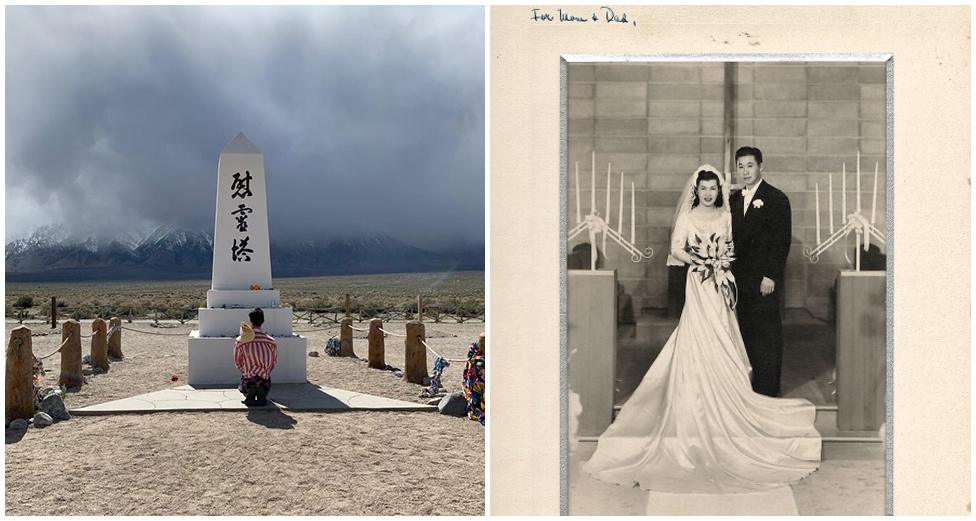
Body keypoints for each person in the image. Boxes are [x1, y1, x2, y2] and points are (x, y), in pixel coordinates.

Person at [581, 165, 820, 494]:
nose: (708, 193)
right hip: (698, 281)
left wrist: (721, 261)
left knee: (723, 331)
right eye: (704, 189)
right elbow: (676, 248)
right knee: (698, 330)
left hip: (721, 282)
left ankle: (728, 392)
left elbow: (732, 246)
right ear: (696, 191)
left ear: (718, 190)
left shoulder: (725, 215)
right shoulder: (688, 216)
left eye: (712, 189)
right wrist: (699, 261)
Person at [729, 146, 792, 397]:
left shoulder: (776, 199)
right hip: (738, 280)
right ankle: (748, 387)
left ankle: (768, 388)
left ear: (761, 166)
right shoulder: (733, 200)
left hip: (763, 280)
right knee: (744, 331)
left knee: (766, 332)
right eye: (741, 166)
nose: (745, 171)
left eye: (750, 165)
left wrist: (771, 275)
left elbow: (781, 241)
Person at [233, 308, 277, 406]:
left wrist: (245, 371)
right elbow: (273, 362)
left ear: (251, 322)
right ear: (263, 321)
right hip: (264, 377)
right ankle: (261, 389)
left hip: (249, 376)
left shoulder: (241, 341)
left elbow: (237, 361)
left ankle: (250, 390)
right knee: (263, 379)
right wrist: (265, 372)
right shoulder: (271, 341)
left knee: (245, 379)